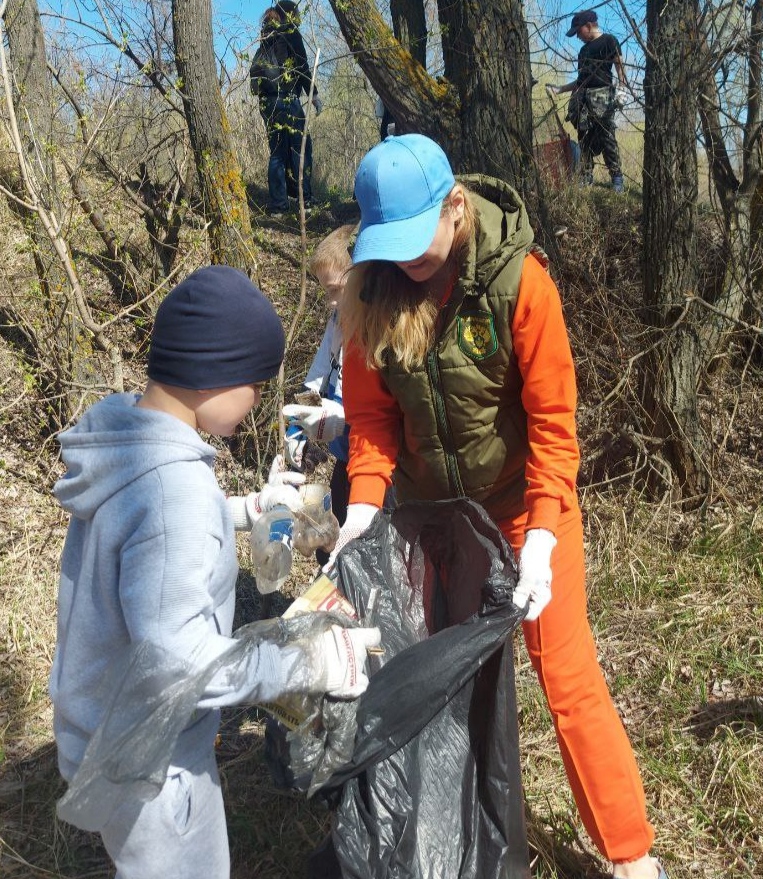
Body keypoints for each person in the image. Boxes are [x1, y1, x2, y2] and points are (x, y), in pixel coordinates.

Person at [329, 134, 667, 879]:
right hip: (436, 519)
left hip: (524, 507)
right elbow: (374, 425)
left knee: (567, 678)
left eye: (418, 240)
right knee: (444, 685)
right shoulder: (373, 292)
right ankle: (452, 846)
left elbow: (553, 424)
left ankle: (630, 853)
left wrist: (542, 536)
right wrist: (361, 510)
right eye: (389, 245)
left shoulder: (520, 282)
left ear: (455, 206)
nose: (407, 259)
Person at [49, 265, 380, 879]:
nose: (257, 400)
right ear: (215, 374)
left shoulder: (125, 440)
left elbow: (144, 532)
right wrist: (311, 664)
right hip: (153, 760)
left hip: (98, 721)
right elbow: (184, 664)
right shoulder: (176, 497)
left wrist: (244, 510)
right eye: (255, 382)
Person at [283, 225, 354, 566]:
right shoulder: (338, 321)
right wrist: (298, 422)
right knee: (332, 542)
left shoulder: (374, 331)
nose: (331, 301)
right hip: (345, 458)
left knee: (359, 546)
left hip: (377, 467)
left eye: (335, 290)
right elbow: (315, 381)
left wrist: (339, 418)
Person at [250, 3, 321, 216]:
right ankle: (305, 200)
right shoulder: (291, 34)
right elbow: (302, 66)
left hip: (268, 103)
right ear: (290, 15)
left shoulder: (264, 39)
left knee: (277, 153)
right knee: (301, 150)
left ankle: (278, 205)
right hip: (288, 98)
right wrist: (313, 94)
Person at [547, 9, 627, 192]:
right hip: (583, 99)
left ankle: (617, 179)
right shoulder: (583, 51)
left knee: (607, 137)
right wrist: (560, 90)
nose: (577, 37)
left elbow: (620, 67)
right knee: (584, 139)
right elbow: (581, 80)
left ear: (589, 25)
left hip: (603, 97)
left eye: (578, 32)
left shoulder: (609, 41)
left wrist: (622, 91)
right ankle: (586, 177)